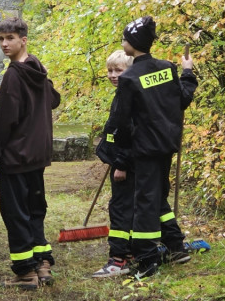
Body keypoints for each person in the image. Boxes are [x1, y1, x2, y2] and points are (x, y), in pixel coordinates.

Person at [113, 16, 197, 278]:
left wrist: (119, 158)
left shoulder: (129, 78)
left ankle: (147, 260)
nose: (123, 42)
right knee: (157, 197)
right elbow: (181, 100)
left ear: (134, 44)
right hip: (166, 146)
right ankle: (175, 246)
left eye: (126, 38)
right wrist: (187, 72)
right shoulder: (167, 68)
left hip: (145, 150)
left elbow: (121, 123)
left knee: (146, 203)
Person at [0, 17, 61, 290]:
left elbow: (5, 121)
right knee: (34, 210)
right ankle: (42, 263)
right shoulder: (37, 69)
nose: (5, 44)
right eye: (1, 39)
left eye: (10, 39)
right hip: (37, 156)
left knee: (16, 212)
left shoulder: (15, 74)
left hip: (16, 156)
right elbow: (54, 99)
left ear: (23, 40)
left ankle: (25, 272)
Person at [91, 50, 135, 278]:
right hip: (120, 160)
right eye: (110, 70)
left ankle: (118, 259)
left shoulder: (129, 97)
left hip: (125, 165)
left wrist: (121, 164)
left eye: (119, 70)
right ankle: (132, 253)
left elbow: (128, 134)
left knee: (119, 209)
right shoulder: (122, 93)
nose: (112, 75)